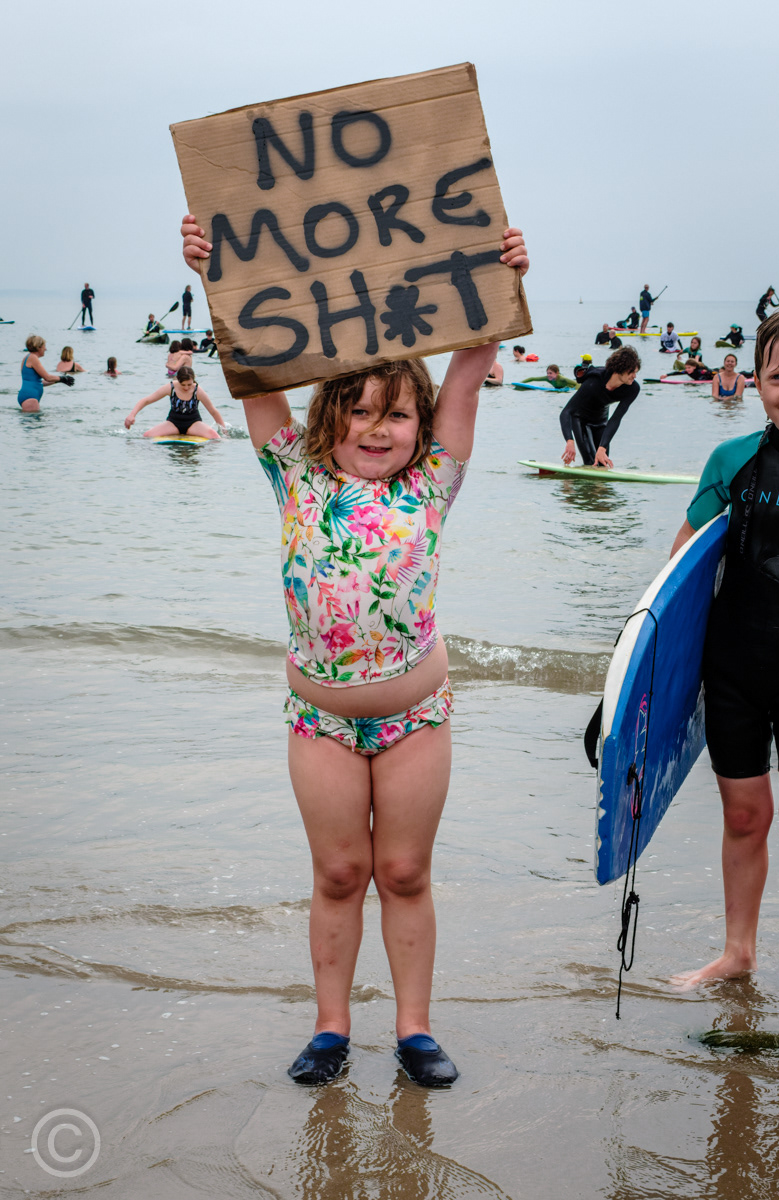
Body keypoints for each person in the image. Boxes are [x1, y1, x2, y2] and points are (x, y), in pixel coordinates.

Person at [181, 211, 529, 1087]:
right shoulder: (294, 475)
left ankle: (414, 1031)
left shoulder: (435, 480)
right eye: (360, 412)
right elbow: (255, 368)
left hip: (416, 715)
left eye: (398, 414)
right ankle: (330, 1028)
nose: (378, 429)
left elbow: (470, 367)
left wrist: (502, 278)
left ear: (422, 425)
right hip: (320, 722)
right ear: (326, 418)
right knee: (339, 872)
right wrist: (215, 274)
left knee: (403, 872)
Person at [669, 305, 779, 1012]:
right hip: (731, 670)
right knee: (744, 817)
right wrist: (658, 673)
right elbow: (683, 564)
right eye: (778, 376)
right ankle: (737, 951)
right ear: (755, 381)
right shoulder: (731, 461)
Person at [560, 346, 641, 468]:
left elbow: (616, 418)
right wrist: (569, 441)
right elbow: (566, 412)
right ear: (620, 368)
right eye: (632, 372)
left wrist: (602, 447)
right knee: (591, 462)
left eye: (636, 372)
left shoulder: (632, 389)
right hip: (581, 420)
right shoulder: (594, 381)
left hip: (601, 421)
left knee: (602, 463)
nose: (634, 376)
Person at [125, 364, 225, 439]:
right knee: (147, 435)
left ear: (193, 380)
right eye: (183, 385)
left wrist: (224, 432)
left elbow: (213, 411)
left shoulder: (197, 390)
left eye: (189, 384)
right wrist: (132, 415)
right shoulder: (171, 387)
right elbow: (146, 400)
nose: (186, 388)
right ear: (178, 380)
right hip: (173, 423)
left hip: (194, 424)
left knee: (215, 436)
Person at [17, 335, 74, 411]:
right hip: (30, 397)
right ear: (38, 347)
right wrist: (62, 378)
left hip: (28, 395)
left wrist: (60, 381)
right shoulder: (33, 358)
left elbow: (40, 383)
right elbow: (47, 377)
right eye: (44, 346)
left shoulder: (28, 357)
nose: (45, 349)